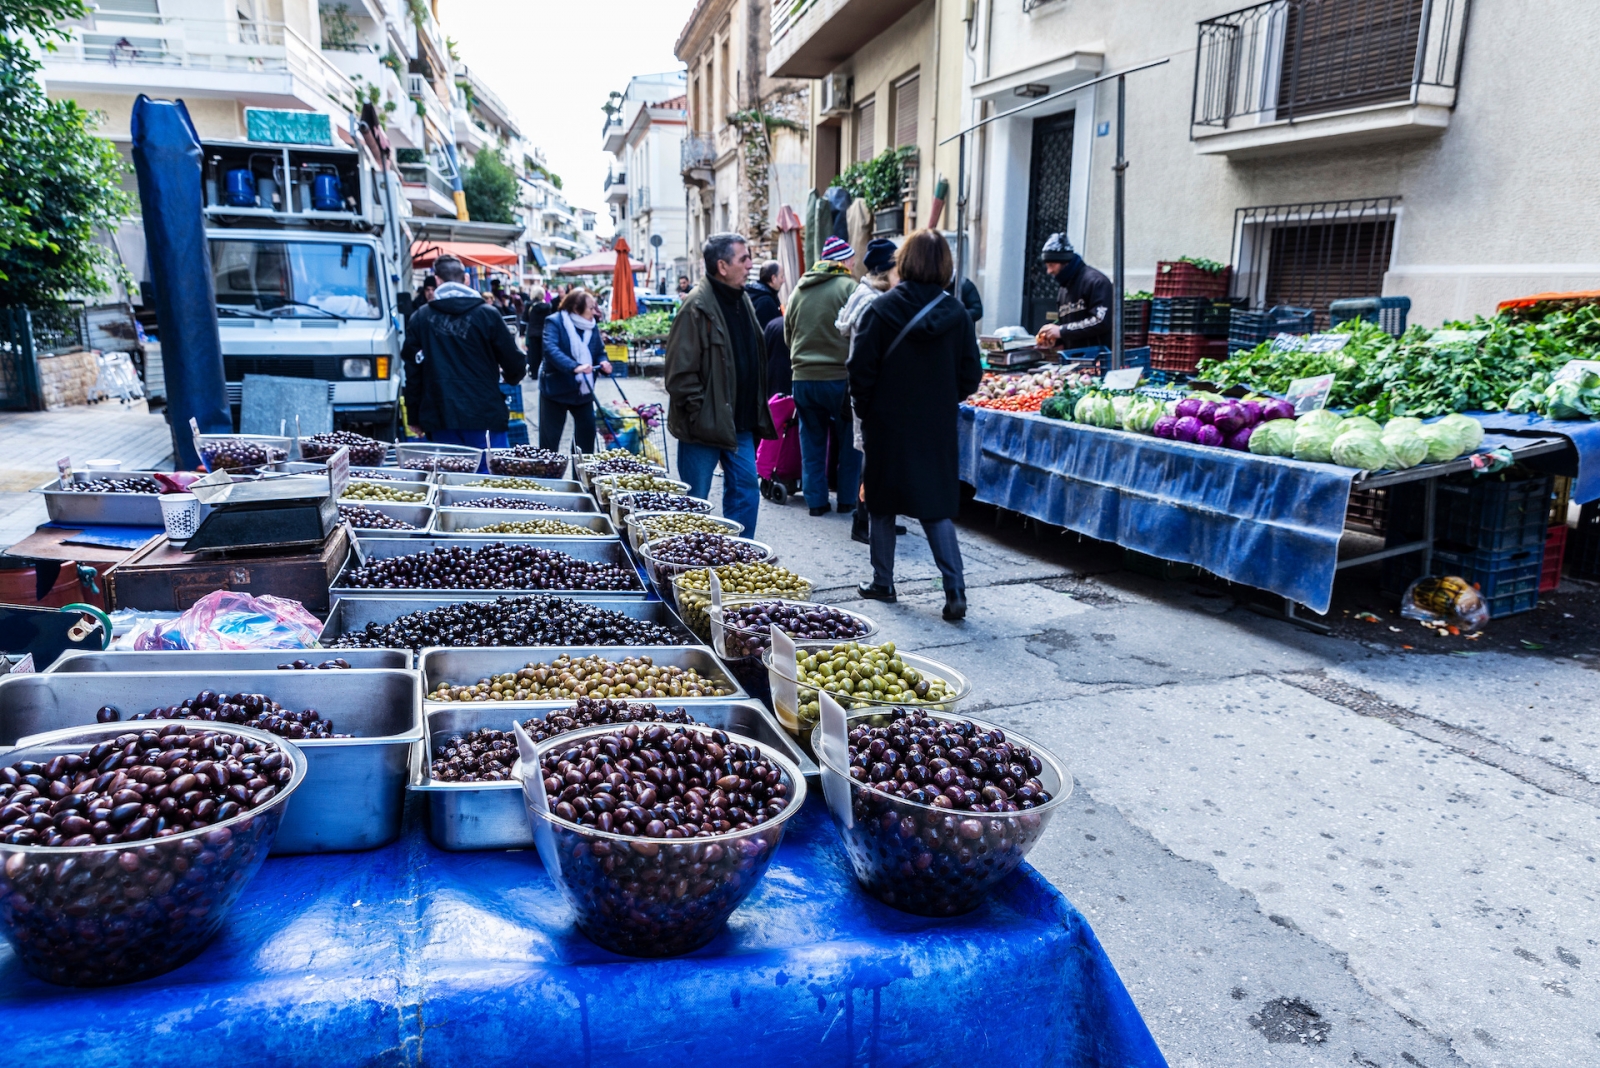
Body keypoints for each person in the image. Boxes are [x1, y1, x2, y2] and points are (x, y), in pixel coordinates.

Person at [848, 229, 982, 622]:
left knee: (881, 504)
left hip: (887, 422)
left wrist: (868, 409)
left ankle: (883, 583)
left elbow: (860, 371)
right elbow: (971, 376)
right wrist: (939, 398)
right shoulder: (957, 314)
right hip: (935, 425)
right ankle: (954, 589)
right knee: (935, 506)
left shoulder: (880, 309)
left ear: (903, 262)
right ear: (945, 266)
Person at [663, 232, 776, 539]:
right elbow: (678, 374)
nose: (751, 264)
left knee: (746, 495)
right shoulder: (696, 307)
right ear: (723, 266)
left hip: (738, 424)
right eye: (744, 258)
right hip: (702, 427)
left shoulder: (743, 300)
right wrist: (701, 411)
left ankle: (737, 559)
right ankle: (688, 568)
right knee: (694, 504)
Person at [400, 255, 526, 451]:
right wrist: (510, 377)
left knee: (450, 474)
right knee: (491, 476)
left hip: (440, 414)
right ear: (465, 279)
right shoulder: (488, 314)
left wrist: (414, 415)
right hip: (485, 412)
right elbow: (515, 363)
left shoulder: (420, 318)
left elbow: (413, 373)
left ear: (437, 280)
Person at [785, 235, 860, 517]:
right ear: (841, 261)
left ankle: (816, 502)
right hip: (839, 378)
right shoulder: (850, 287)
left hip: (802, 378)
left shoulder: (799, 290)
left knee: (811, 440)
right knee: (850, 443)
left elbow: (787, 334)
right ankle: (847, 500)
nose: (854, 264)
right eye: (851, 260)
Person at [836, 237, 897, 543]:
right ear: (886, 271)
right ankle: (864, 521)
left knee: (874, 455)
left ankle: (876, 515)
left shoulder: (863, 295)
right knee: (873, 457)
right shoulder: (873, 302)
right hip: (873, 389)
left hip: (868, 388)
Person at [539, 288, 612, 452]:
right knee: (549, 442)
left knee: (586, 436)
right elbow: (551, 349)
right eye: (591, 308)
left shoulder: (591, 325)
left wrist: (604, 362)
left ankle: (580, 476)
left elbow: (599, 351)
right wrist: (575, 367)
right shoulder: (554, 321)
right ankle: (550, 475)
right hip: (556, 389)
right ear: (575, 308)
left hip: (583, 392)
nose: (595, 312)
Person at [1033, 232, 1113, 352]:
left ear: (1065, 262)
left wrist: (1061, 331)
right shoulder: (1063, 288)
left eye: (1051, 265)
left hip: (1098, 359)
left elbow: (1100, 321)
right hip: (1073, 358)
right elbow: (1068, 323)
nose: (1049, 271)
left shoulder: (1096, 282)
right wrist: (1055, 339)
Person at [745, 261, 783, 330]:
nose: (783, 280)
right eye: (781, 277)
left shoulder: (759, 293)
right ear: (773, 278)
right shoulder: (766, 302)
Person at [763, 315, 791, 396]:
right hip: (794, 381)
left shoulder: (773, 325)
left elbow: (763, 353)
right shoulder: (803, 327)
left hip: (772, 380)